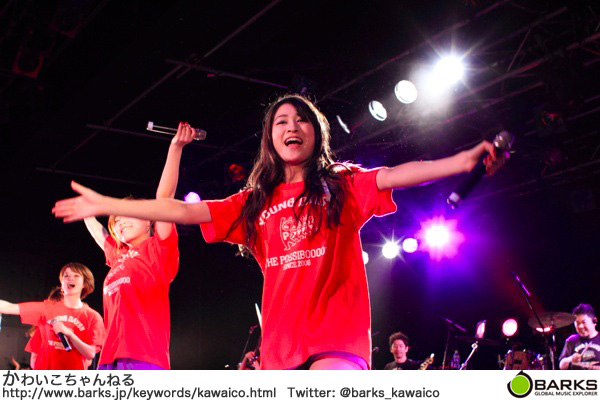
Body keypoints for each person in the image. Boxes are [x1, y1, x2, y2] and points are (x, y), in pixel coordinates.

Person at [53, 94, 506, 370]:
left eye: (301, 119)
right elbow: (180, 211)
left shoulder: (341, 183)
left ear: (316, 132)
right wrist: (108, 205)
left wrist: (462, 160)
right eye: (280, 122)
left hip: (337, 342)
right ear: (270, 138)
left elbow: (396, 175)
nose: (291, 127)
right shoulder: (253, 202)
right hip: (279, 351)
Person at [79, 123, 194, 370]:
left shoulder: (157, 249)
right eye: (116, 220)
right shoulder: (118, 255)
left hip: (144, 358)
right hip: (109, 360)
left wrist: (175, 148)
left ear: (149, 219)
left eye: (127, 215)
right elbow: (99, 233)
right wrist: (87, 210)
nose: (120, 222)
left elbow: (164, 199)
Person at [0, 262, 104, 370]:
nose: (70, 278)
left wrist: (70, 335)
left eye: (76, 276)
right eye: (66, 276)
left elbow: (90, 354)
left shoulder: (92, 316)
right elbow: (9, 307)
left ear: (84, 283)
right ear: (61, 283)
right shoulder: (46, 309)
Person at [559, 303, 600, 370]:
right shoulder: (572, 340)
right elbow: (561, 366)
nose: (580, 326)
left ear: (595, 321)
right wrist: (571, 358)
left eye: (584, 322)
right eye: (577, 323)